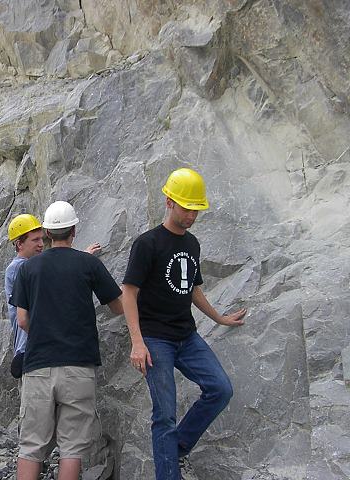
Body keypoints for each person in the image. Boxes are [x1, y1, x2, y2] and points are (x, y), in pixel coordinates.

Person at [121, 167, 247, 480]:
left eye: (196, 210)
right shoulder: (147, 243)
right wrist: (137, 342)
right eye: (186, 208)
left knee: (220, 389)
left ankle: (174, 448)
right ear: (169, 201)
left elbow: (192, 288)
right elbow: (128, 294)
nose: (191, 215)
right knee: (164, 414)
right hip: (155, 340)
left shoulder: (192, 244)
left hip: (186, 337)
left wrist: (219, 318)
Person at [10, 201, 123, 480]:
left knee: (31, 446)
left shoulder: (27, 269)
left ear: (47, 232)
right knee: (72, 448)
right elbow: (118, 305)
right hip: (78, 366)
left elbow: (22, 320)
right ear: (74, 230)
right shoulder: (88, 263)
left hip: (37, 366)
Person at [5, 213, 102, 377]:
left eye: (41, 239)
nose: (41, 244)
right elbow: (54, 278)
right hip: (32, 349)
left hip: (37, 350)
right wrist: (81, 260)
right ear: (19, 244)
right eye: (35, 240)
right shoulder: (20, 269)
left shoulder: (31, 266)